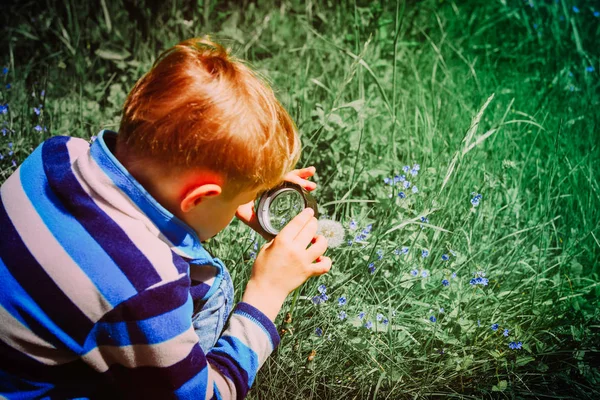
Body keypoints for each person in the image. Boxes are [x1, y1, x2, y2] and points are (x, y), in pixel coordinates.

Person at [0, 37, 331, 399]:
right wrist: (266, 292)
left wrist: (237, 186)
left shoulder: (57, 153)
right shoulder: (145, 290)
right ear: (199, 197)